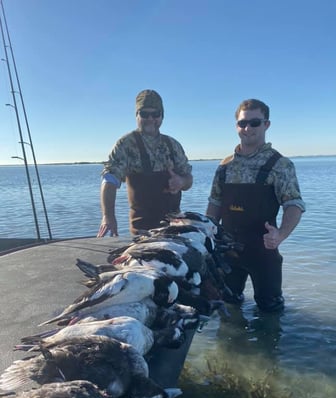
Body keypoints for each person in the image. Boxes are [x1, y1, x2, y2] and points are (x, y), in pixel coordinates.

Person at [206, 98, 305, 312]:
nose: (247, 128)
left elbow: (294, 204)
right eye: (242, 123)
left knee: (271, 311)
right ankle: (231, 346)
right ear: (236, 126)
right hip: (227, 251)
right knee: (227, 307)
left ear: (266, 124)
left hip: (263, 250)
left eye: (255, 123)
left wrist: (280, 234)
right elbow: (214, 202)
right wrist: (207, 236)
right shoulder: (225, 166)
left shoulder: (280, 164)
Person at [97, 89, 193, 236]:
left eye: (155, 114)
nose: (150, 119)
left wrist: (181, 181)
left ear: (162, 116)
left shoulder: (173, 145)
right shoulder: (127, 144)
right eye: (144, 114)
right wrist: (108, 216)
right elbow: (109, 179)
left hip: (174, 228)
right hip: (143, 232)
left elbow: (188, 180)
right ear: (136, 115)